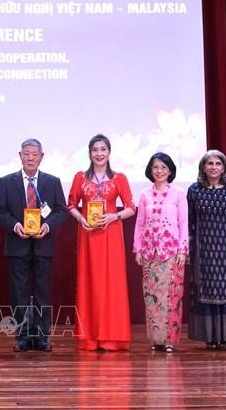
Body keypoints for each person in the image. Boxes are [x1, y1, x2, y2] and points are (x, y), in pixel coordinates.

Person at [0, 138, 68, 352]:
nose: (30, 158)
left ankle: (42, 337)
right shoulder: (7, 181)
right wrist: (15, 225)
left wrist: (48, 227)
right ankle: (23, 336)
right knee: (19, 293)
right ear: (20, 155)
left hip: (44, 244)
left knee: (43, 292)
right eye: (26, 153)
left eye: (34, 154)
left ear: (42, 157)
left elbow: (61, 211)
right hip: (17, 244)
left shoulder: (52, 182)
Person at [67, 133, 135, 351]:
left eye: (103, 149)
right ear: (90, 153)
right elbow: (71, 205)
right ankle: (90, 338)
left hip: (111, 235)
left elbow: (130, 207)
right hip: (88, 235)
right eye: (95, 149)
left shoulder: (119, 178)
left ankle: (111, 338)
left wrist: (113, 216)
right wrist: (80, 218)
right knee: (90, 282)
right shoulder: (80, 177)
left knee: (111, 283)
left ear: (109, 152)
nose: (99, 153)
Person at [187, 150, 226, 351]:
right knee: (206, 292)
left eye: (218, 163)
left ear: (224, 167)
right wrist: (188, 249)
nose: (214, 167)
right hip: (203, 251)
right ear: (203, 167)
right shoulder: (194, 190)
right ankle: (209, 337)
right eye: (210, 163)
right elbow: (190, 223)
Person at [133, 152, 188, 353]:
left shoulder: (179, 194)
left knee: (171, 296)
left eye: (164, 167)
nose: (159, 171)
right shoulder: (145, 194)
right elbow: (139, 224)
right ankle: (155, 339)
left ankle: (170, 339)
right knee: (151, 296)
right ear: (150, 170)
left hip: (171, 252)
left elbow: (183, 223)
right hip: (149, 253)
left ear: (170, 170)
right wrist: (137, 248)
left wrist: (183, 251)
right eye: (155, 167)